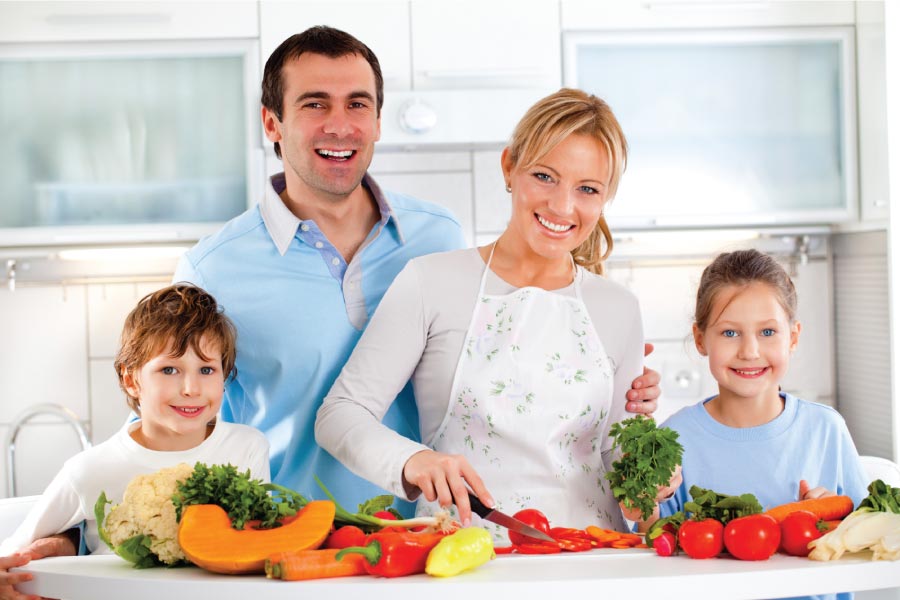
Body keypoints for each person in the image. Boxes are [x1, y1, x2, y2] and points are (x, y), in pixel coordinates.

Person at [173, 27, 662, 515]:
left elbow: (594, 444)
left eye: (357, 104)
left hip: (422, 541)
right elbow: (177, 414)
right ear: (272, 123)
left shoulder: (437, 234)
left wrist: (622, 409)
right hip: (288, 529)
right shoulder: (212, 269)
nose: (340, 126)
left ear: (379, 120)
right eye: (315, 104)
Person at [316, 87, 663, 540]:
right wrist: (413, 461)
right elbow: (341, 413)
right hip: (465, 555)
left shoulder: (619, 308)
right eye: (544, 176)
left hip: (591, 557)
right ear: (508, 167)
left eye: (587, 189)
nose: (562, 206)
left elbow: (622, 463)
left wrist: (653, 478)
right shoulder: (430, 282)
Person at [0, 285, 269, 599]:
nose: (191, 388)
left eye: (207, 369)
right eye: (170, 369)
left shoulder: (247, 448)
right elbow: (13, 555)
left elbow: (258, 548)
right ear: (131, 380)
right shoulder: (89, 470)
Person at [647, 250, 868, 530]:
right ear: (700, 340)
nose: (750, 352)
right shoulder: (673, 439)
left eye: (767, 332)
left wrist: (837, 518)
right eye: (730, 333)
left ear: (793, 337)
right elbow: (654, 542)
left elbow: (866, 533)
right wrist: (647, 504)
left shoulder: (826, 429)